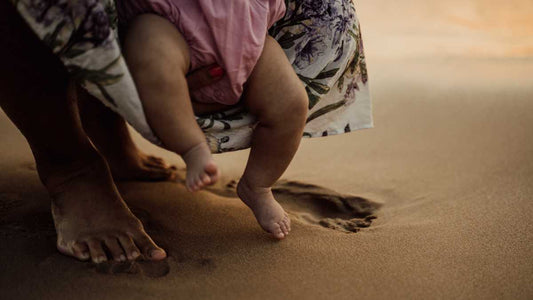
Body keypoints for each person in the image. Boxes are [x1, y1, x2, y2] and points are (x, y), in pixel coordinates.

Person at [118, 0, 307, 240]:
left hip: (248, 30)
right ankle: (193, 147)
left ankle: (257, 185)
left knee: (291, 102)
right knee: (151, 53)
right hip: (169, 18)